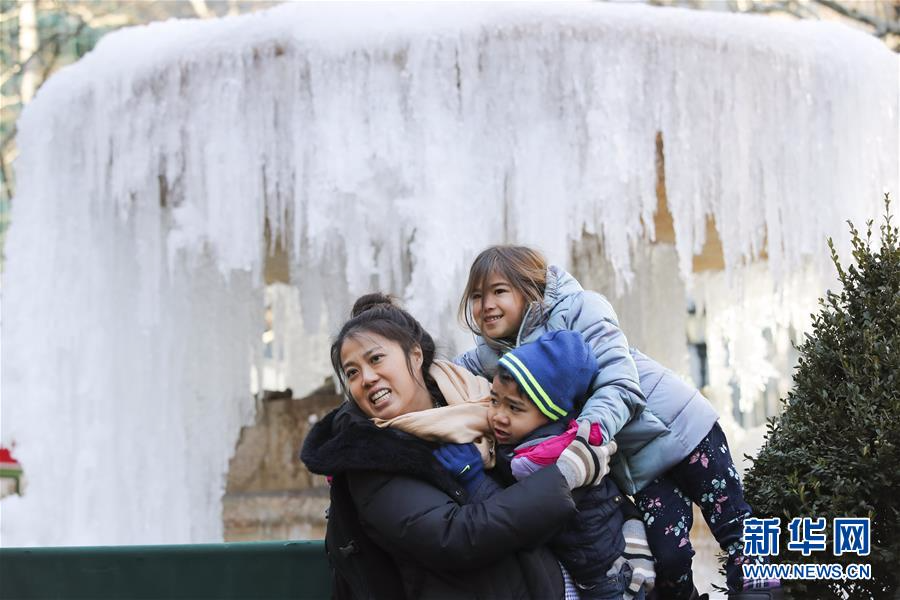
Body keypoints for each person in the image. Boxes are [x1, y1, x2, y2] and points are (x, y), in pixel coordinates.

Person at [454, 245, 782, 600]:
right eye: (476, 295)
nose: (486, 304)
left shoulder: (580, 308)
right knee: (667, 556)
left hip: (682, 425)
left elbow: (620, 381)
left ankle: (760, 591)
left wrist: (587, 437)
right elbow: (455, 369)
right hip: (638, 464)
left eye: (498, 291)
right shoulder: (496, 354)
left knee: (731, 520)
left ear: (529, 287)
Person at [301, 293, 623, 600]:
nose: (366, 378)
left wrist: (627, 517)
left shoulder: (478, 395)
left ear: (415, 356)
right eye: (352, 372)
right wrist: (565, 476)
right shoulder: (368, 458)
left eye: (376, 359)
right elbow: (455, 537)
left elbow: (548, 454)